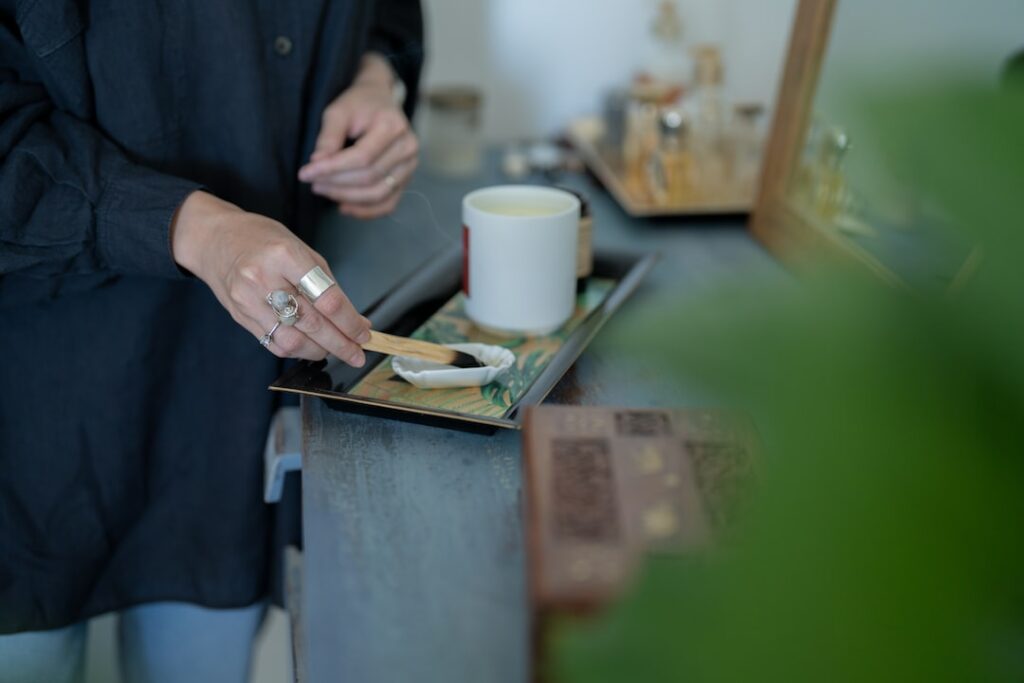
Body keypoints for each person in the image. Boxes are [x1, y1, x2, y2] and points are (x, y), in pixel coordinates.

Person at [0, 1, 423, 681]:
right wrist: (195, 228)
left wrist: (376, 82)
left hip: (227, 401)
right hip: (36, 398)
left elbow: (387, 16)